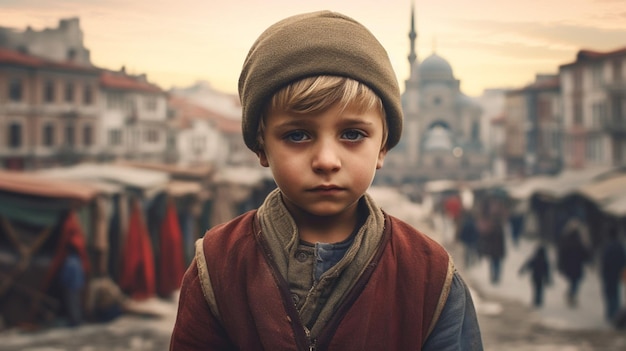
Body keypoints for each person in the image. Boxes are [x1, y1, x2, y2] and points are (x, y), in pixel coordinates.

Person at [170, 10, 483, 350]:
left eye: (351, 133)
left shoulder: (430, 277)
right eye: (298, 135)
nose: (326, 161)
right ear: (261, 146)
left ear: (383, 146)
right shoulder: (217, 268)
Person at [556, 220, 590, 308]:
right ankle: (571, 295)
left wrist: (560, 265)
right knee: (575, 282)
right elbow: (585, 254)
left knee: (573, 282)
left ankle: (571, 295)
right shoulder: (579, 242)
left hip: (569, 266)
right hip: (577, 266)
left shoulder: (565, 241)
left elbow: (561, 254)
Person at [599, 225, 626, 323]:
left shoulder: (607, 246)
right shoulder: (619, 246)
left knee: (609, 294)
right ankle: (615, 314)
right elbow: (623, 260)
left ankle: (611, 314)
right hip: (616, 274)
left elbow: (604, 261)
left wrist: (603, 273)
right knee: (615, 294)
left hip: (608, 274)